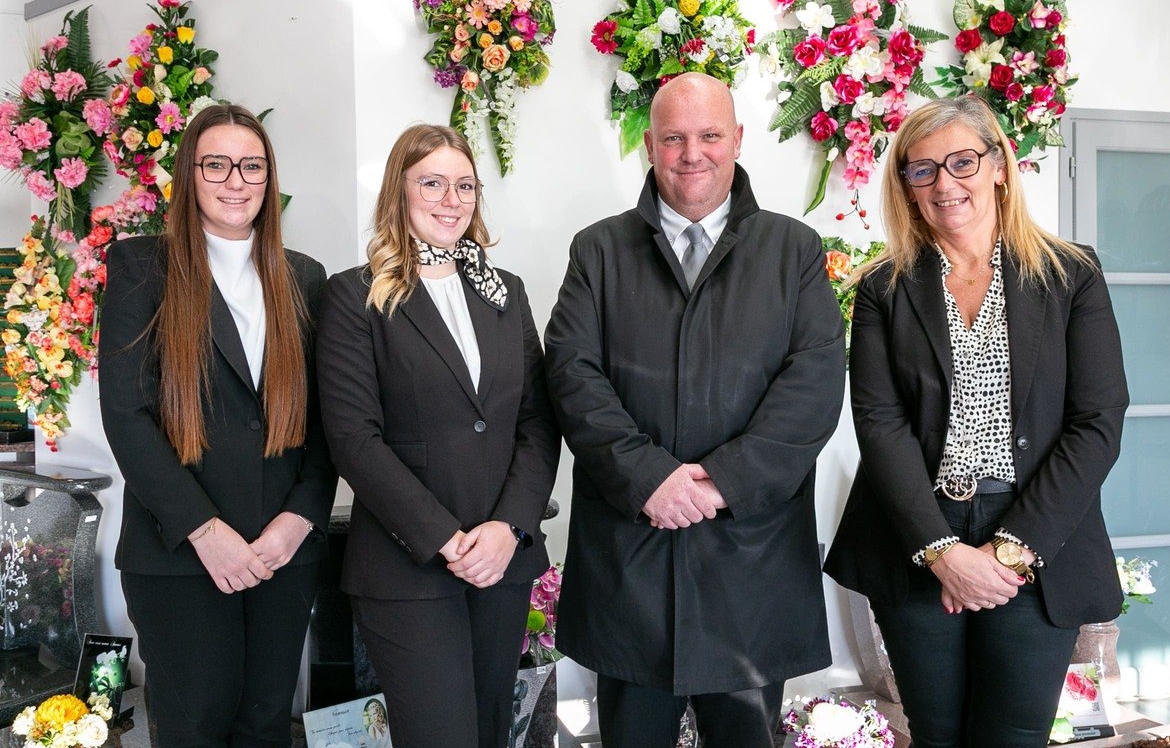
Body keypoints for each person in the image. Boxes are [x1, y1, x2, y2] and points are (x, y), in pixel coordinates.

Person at [544, 72, 846, 748]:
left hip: (751, 564)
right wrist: (649, 477)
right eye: (674, 138)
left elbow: (815, 384)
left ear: (737, 139)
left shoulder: (793, 250)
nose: (692, 154)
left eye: (710, 135)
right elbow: (572, 375)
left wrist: (718, 484)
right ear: (648, 145)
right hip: (632, 564)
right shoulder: (597, 250)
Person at [824, 94, 1129, 748]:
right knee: (935, 736)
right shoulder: (885, 286)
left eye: (962, 161)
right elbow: (880, 424)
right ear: (906, 186)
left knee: (1012, 738)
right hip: (918, 540)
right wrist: (942, 553)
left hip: (1035, 541)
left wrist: (1010, 550)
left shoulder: (1072, 275)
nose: (945, 183)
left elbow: (1098, 422)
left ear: (998, 165)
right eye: (923, 169)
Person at [316, 124, 560, 748]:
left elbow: (536, 421)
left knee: (487, 737)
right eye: (431, 183)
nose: (450, 200)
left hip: (501, 561)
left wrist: (508, 529)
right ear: (399, 192)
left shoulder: (507, 293)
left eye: (464, 186)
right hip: (408, 567)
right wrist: (448, 541)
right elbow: (353, 438)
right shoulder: (353, 296)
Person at [100, 103, 335, 748]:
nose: (236, 180)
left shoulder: (303, 277)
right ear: (190, 175)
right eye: (217, 165)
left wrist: (299, 520)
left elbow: (329, 419)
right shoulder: (142, 267)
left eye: (251, 166)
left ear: (268, 177)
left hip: (281, 551)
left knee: (265, 727)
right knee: (194, 728)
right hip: (181, 554)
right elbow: (126, 416)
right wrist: (205, 533)